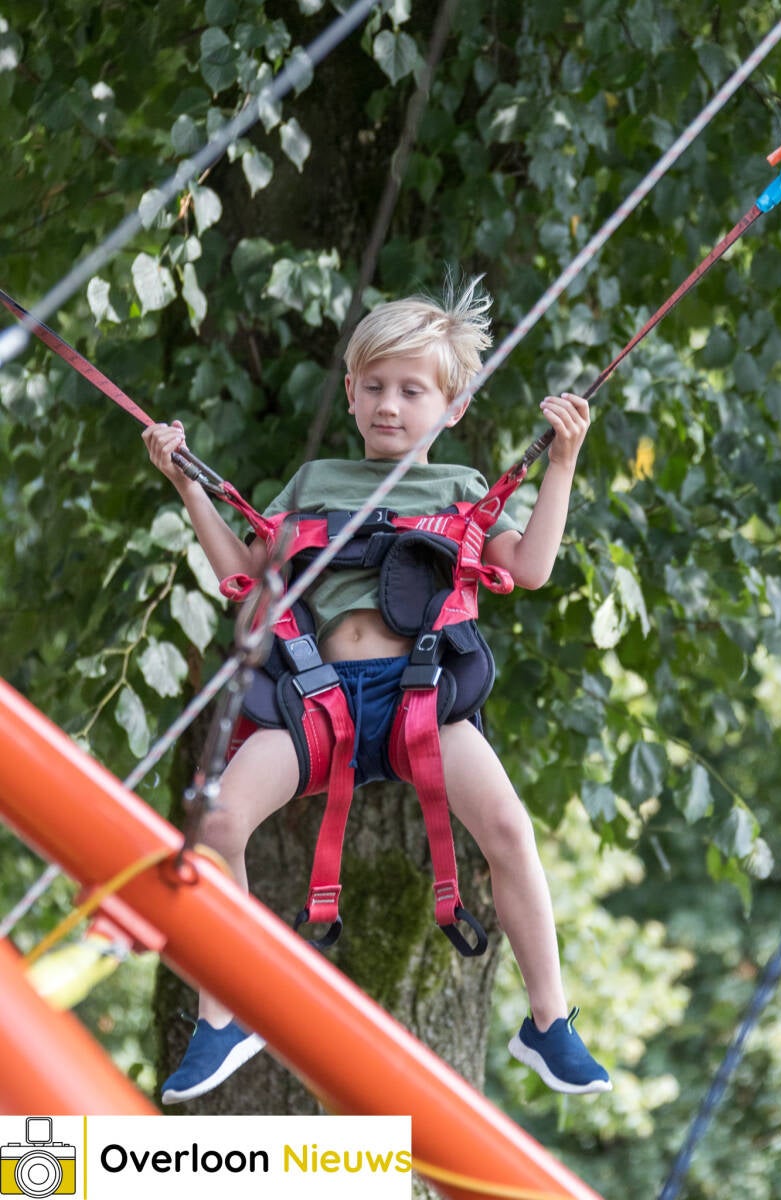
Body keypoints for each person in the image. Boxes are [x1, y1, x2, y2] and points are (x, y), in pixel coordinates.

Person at [143, 277, 611, 1104]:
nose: (390, 406)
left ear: (451, 407)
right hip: (317, 700)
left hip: (420, 699)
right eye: (375, 388)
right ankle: (226, 1013)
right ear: (352, 397)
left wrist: (563, 461)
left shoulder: (463, 488)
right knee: (215, 818)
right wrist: (188, 485)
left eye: (411, 390)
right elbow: (241, 579)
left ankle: (549, 1020)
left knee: (507, 825)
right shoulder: (316, 479)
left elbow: (528, 569)